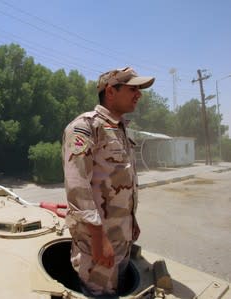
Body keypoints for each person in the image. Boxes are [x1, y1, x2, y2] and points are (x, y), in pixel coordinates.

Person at [62, 67, 155, 296]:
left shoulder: (120, 128)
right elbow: (77, 188)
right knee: (99, 294)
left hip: (121, 238)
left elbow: (123, 182)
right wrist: (99, 239)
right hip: (97, 243)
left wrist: (131, 220)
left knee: (118, 290)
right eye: (133, 88)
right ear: (111, 91)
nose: (139, 94)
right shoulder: (85, 127)